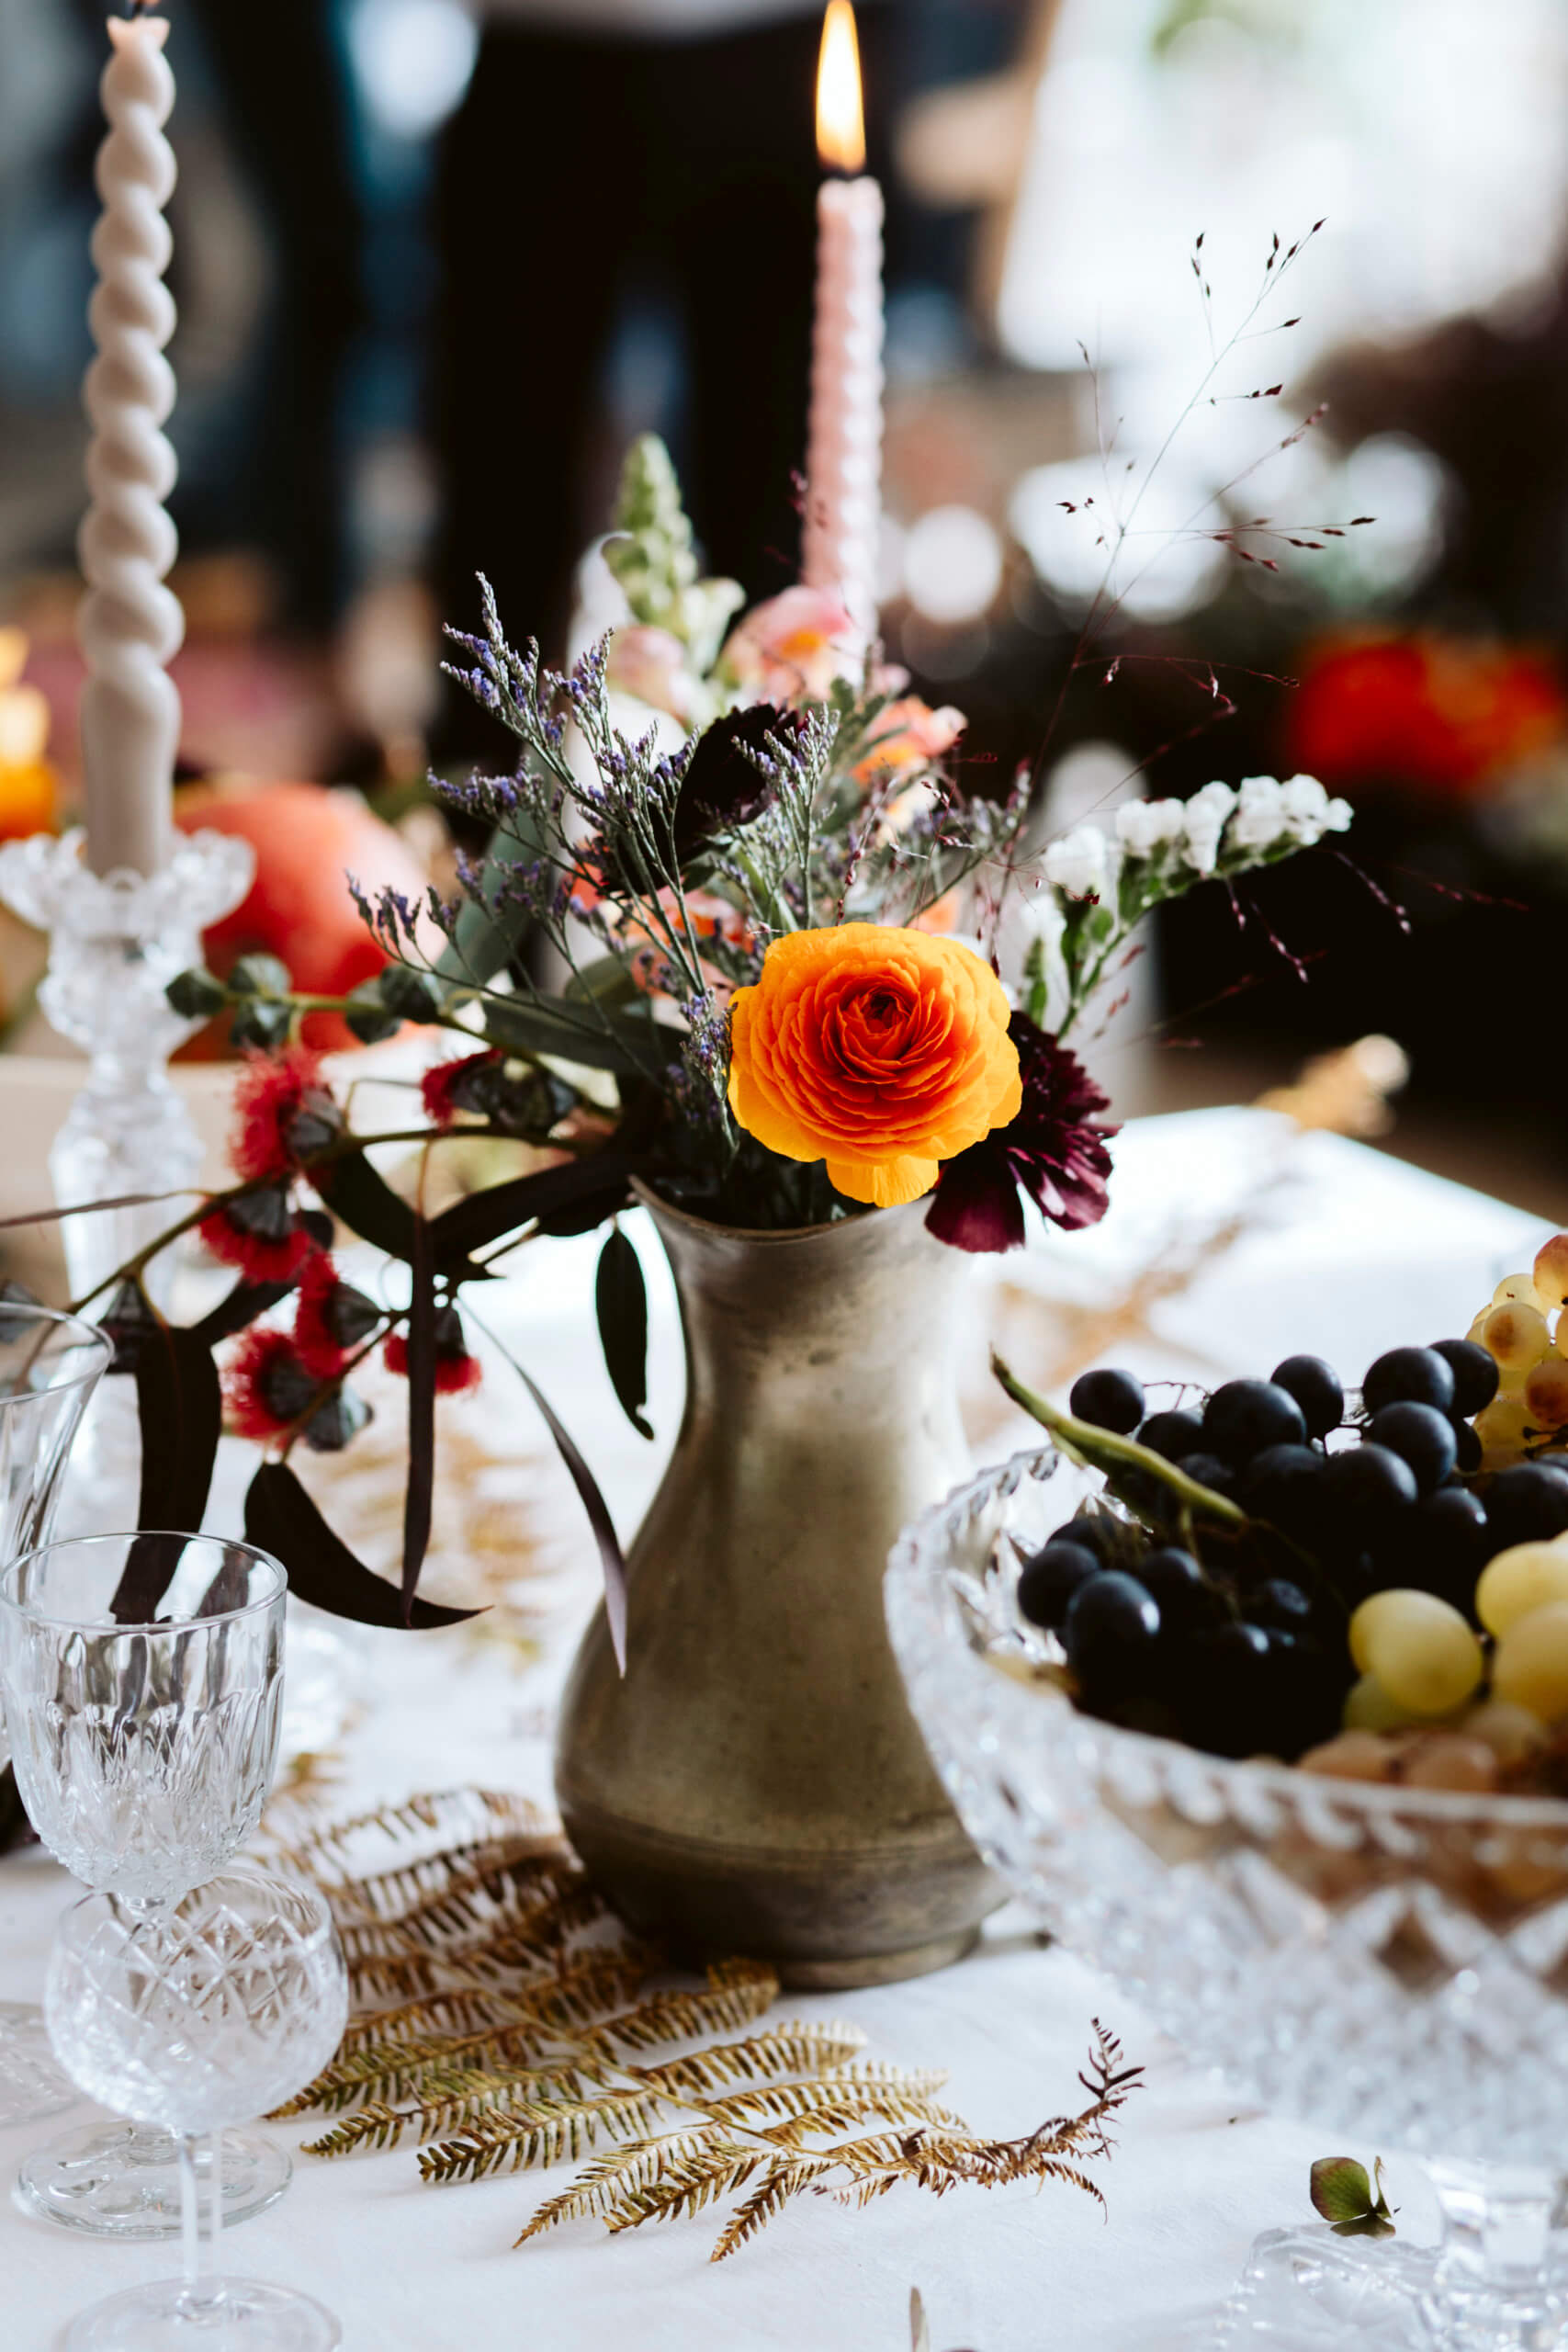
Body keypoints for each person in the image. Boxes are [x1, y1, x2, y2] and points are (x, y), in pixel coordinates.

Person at [431, 0, 897, 722]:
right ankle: (477, 763)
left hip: (774, 46)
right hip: (544, 51)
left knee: (781, 500)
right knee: (506, 480)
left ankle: (785, 765)